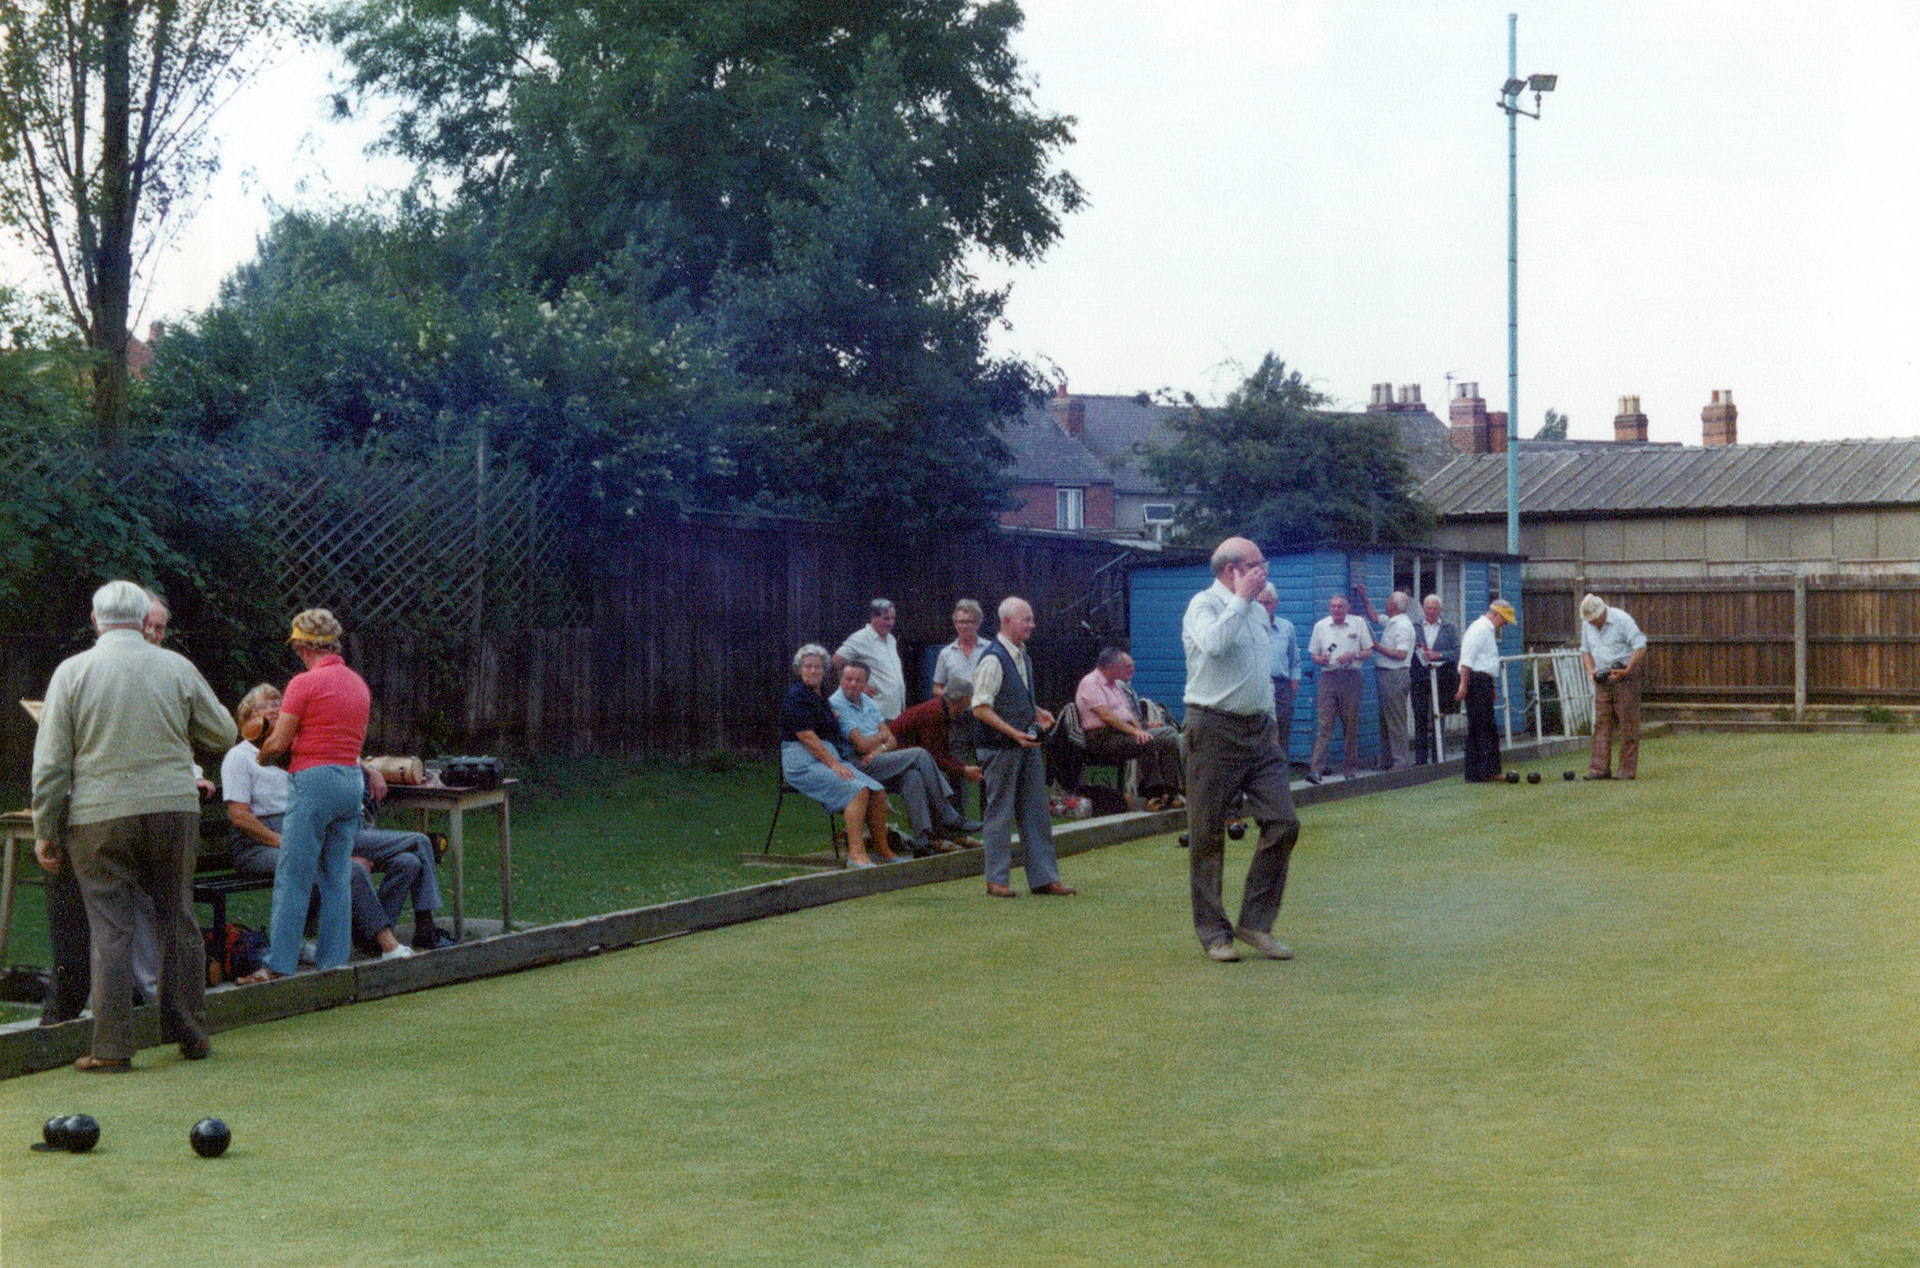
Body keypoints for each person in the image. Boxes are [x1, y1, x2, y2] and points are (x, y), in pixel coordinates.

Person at [29, 579, 235, 1070]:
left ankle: (113, 1049)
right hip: (172, 809)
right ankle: (191, 1034)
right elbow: (224, 733)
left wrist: (45, 828)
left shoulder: (72, 672)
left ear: (95, 620)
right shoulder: (177, 666)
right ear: (144, 620)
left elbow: (51, 764)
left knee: (110, 929)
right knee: (177, 917)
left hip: (98, 815)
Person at [223, 685, 452, 957]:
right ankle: (387, 944)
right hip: (260, 844)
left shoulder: (292, 751)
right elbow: (239, 817)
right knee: (349, 869)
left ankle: (404, 932)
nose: (274, 710)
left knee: (411, 855)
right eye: (265, 706)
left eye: (277, 704)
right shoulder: (239, 757)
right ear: (247, 716)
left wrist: (368, 770)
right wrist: (284, 842)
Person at [1180, 538, 1301, 963]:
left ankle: (1255, 923)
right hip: (1212, 727)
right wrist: (1240, 600)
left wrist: (1271, 721)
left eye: (1263, 564)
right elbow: (1214, 645)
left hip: (1259, 730)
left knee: (1284, 822)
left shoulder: (1258, 612)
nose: (1263, 572)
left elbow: (1260, 673)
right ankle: (1215, 934)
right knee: (1207, 833)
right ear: (1231, 570)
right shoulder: (1203, 605)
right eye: (1255, 565)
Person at [238, 609, 373, 982]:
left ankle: (278, 964)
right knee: (336, 875)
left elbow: (278, 742)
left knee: (294, 874)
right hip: (351, 783)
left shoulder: (303, 683)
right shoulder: (358, 684)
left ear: (302, 646)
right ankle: (334, 963)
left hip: (314, 783)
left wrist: (262, 754)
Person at [971, 597, 1074, 898]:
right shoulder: (993, 659)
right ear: (1007, 621)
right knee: (1000, 811)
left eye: (1031, 619)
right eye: (1026, 619)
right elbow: (980, 707)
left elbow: (1013, 695)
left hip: (1025, 744)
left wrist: (1036, 712)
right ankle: (996, 880)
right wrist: (1013, 733)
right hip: (1000, 747)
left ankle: (1044, 878)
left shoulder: (1022, 655)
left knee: (1036, 810)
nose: (1032, 625)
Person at [830, 661, 973, 856]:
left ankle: (923, 842)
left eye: (859, 680)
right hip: (856, 765)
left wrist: (879, 748)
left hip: (876, 758)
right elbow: (861, 745)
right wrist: (880, 738)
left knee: (913, 776)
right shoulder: (837, 704)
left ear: (866, 683)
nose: (853, 684)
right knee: (920, 754)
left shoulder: (866, 701)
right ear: (840, 679)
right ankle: (948, 814)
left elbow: (891, 738)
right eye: (848, 679)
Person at [779, 645, 897, 868]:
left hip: (825, 758)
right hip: (802, 762)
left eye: (817, 667)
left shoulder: (819, 696)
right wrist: (834, 764)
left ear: (824, 670)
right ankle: (856, 855)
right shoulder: (796, 697)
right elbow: (807, 738)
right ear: (799, 669)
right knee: (857, 789)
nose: (813, 671)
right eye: (808, 666)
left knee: (877, 790)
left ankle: (882, 850)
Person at [1074, 648, 1183, 805]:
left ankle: (1171, 793)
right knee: (1145, 743)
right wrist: (1135, 732)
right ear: (1111, 667)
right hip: (1101, 738)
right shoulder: (1090, 683)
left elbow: (1128, 714)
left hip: (1120, 733)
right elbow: (1107, 716)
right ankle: (1154, 795)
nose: (1125, 670)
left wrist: (1141, 730)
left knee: (1168, 743)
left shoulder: (1114, 685)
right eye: (1122, 666)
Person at [888, 681, 985, 845]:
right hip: (897, 757)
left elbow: (939, 752)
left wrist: (962, 768)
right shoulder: (936, 713)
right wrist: (962, 770)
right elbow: (932, 755)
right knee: (946, 775)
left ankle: (936, 836)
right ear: (963, 699)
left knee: (943, 775)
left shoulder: (940, 709)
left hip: (911, 759)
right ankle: (950, 820)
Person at [1580, 593, 1648, 780]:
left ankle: (1626, 770)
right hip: (1603, 678)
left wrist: (1628, 669)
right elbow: (1585, 651)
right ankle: (1599, 769)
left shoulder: (1622, 619)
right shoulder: (1587, 624)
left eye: (1594, 619)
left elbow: (1640, 645)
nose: (1592, 623)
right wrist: (1591, 671)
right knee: (1601, 723)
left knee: (1628, 722)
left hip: (1625, 677)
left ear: (1602, 611)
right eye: (1589, 620)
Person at [1306, 593, 1373, 783]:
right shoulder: (1321, 626)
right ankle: (1316, 771)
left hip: (1351, 676)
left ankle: (1350, 770)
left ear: (1347, 608)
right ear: (1329, 608)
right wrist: (1321, 659)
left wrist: (1354, 655)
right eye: (1333, 606)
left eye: (1340, 606)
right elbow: (1313, 655)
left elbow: (1368, 651)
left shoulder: (1358, 623)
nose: (1336, 610)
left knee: (1350, 724)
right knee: (1324, 724)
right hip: (1329, 676)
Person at [1454, 600, 1516, 783]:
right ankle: (1482, 772)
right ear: (1496, 615)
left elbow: (1487, 660)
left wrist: (1493, 686)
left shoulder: (1487, 630)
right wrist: (1463, 685)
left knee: (1486, 726)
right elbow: (1467, 659)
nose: (1505, 624)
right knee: (1481, 727)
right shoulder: (1479, 629)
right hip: (1477, 681)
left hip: (1484, 681)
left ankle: (1484, 771)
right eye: (1504, 620)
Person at [1355, 585, 1414, 771]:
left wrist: (1377, 647)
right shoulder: (1392, 621)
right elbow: (1374, 617)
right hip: (1386, 674)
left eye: (1388, 601)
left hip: (1395, 674)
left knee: (1395, 719)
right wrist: (1364, 598)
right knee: (1386, 719)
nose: (1385, 604)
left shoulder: (1403, 625)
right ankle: (1388, 760)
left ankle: (1401, 761)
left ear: (1394, 605)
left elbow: (1402, 654)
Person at [832, 599, 906, 721]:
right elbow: (836, 660)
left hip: (895, 709)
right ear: (873, 617)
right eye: (886, 618)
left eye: (893, 618)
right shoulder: (860, 638)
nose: (891, 622)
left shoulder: (891, 639)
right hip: (876, 710)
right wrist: (859, 687)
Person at [1410, 594, 1460, 766]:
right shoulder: (1415, 626)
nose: (1431, 612)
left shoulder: (1449, 628)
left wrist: (1438, 655)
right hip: (1419, 677)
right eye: (1428, 608)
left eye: (1434, 608)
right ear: (1423, 608)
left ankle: (1439, 758)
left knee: (1438, 717)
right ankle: (1420, 760)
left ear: (1440, 609)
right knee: (1420, 716)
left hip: (1441, 678)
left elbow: (1457, 652)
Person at [1257, 584, 1302, 765]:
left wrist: (1292, 690)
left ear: (1275, 604)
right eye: (1259, 602)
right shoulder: (1248, 626)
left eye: (1267, 603)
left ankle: (1281, 772)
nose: (1263, 607)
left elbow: (1295, 662)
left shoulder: (1286, 627)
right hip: (1256, 685)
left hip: (1281, 687)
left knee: (1282, 732)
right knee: (1258, 731)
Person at [929, 599, 987, 698]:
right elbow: (937, 688)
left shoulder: (990, 650)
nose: (964, 626)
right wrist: (953, 698)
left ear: (978, 624)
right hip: (956, 707)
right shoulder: (945, 653)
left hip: (984, 707)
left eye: (968, 622)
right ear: (955, 624)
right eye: (960, 622)